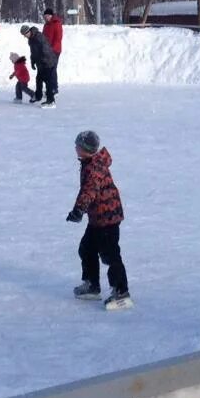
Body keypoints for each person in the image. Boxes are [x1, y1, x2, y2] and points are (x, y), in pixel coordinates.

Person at [66, 130, 132, 310]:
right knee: (87, 248)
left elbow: (89, 191)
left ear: (85, 149)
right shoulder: (90, 163)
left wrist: (78, 210)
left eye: (77, 145)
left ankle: (121, 292)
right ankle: (92, 285)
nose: (75, 147)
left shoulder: (94, 169)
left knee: (110, 255)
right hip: (98, 217)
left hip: (107, 218)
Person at [24, 25, 58, 107]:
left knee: (48, 81)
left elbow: (45, 48)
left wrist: (44, 60)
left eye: (25, 34)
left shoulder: (39, 37)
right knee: (38, 79)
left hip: (48, 61)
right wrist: (33, 62)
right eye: (24, 35)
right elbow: (33, 52)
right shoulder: (31, 40)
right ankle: (38, 96)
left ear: (28, 31)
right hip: (41, 63)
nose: (25, 36)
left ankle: (51, 101)